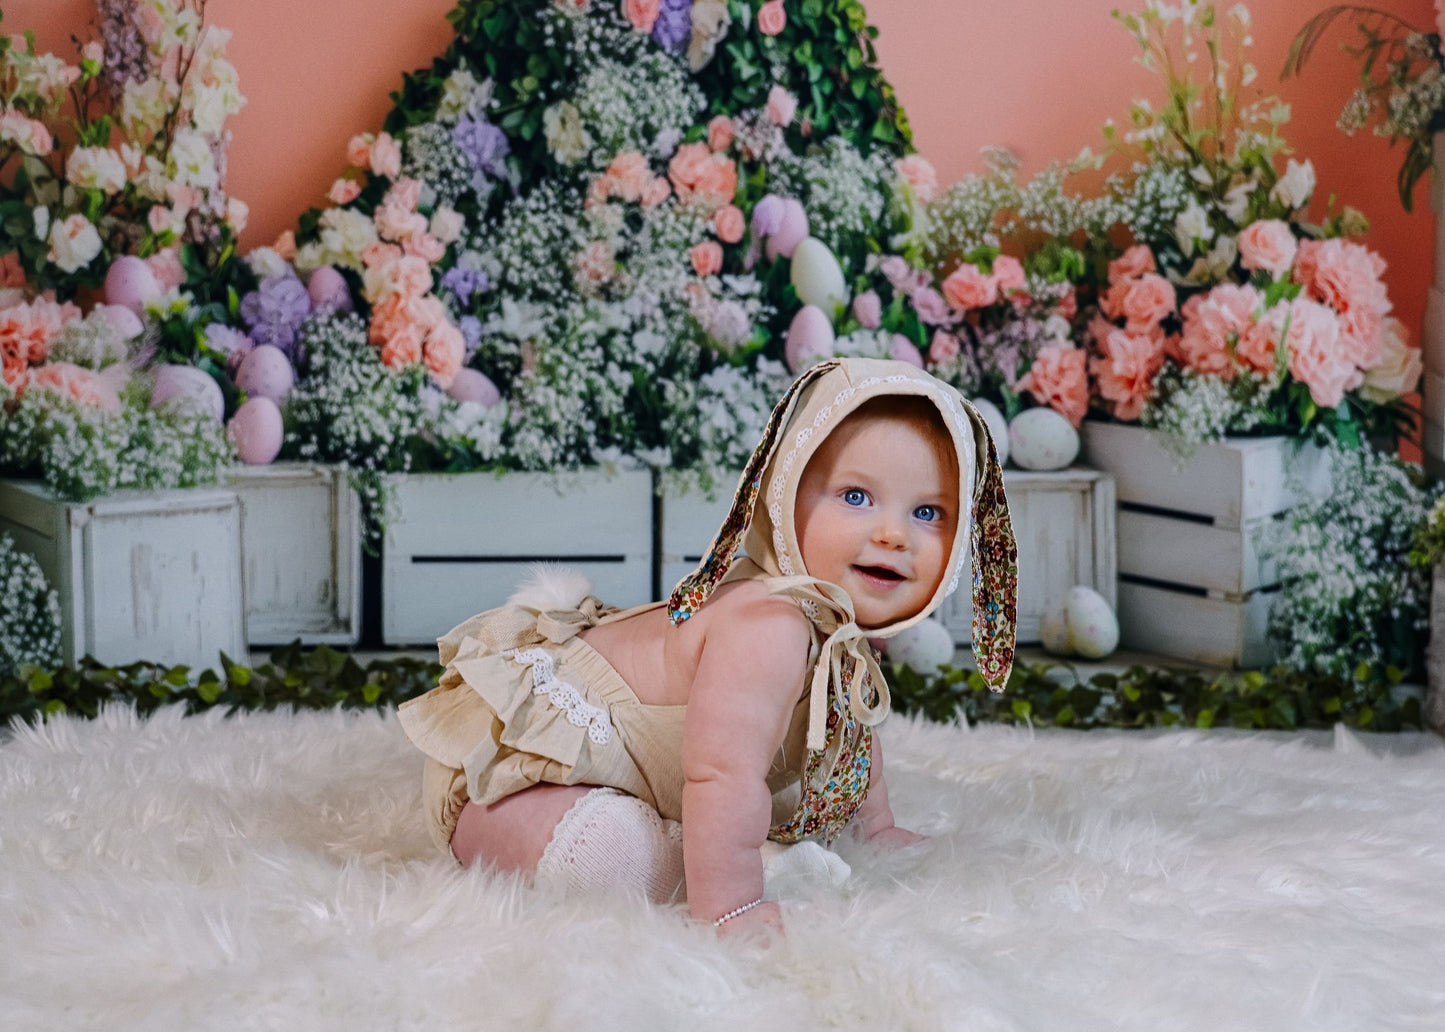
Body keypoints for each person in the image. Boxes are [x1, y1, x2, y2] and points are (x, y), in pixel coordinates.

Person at [397, 357, 1017, 934]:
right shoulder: (768, 624)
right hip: (521, 770)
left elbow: (850, 724)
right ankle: (725, 866)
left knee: (701, 832)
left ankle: (709, 850)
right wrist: (733, 906)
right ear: (785, 495)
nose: (893, 535)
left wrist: (873, 827)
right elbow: (723, 773)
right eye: (856, 497)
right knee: (602, 852)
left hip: (638, 780)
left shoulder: (832, 631)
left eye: (929, 514)